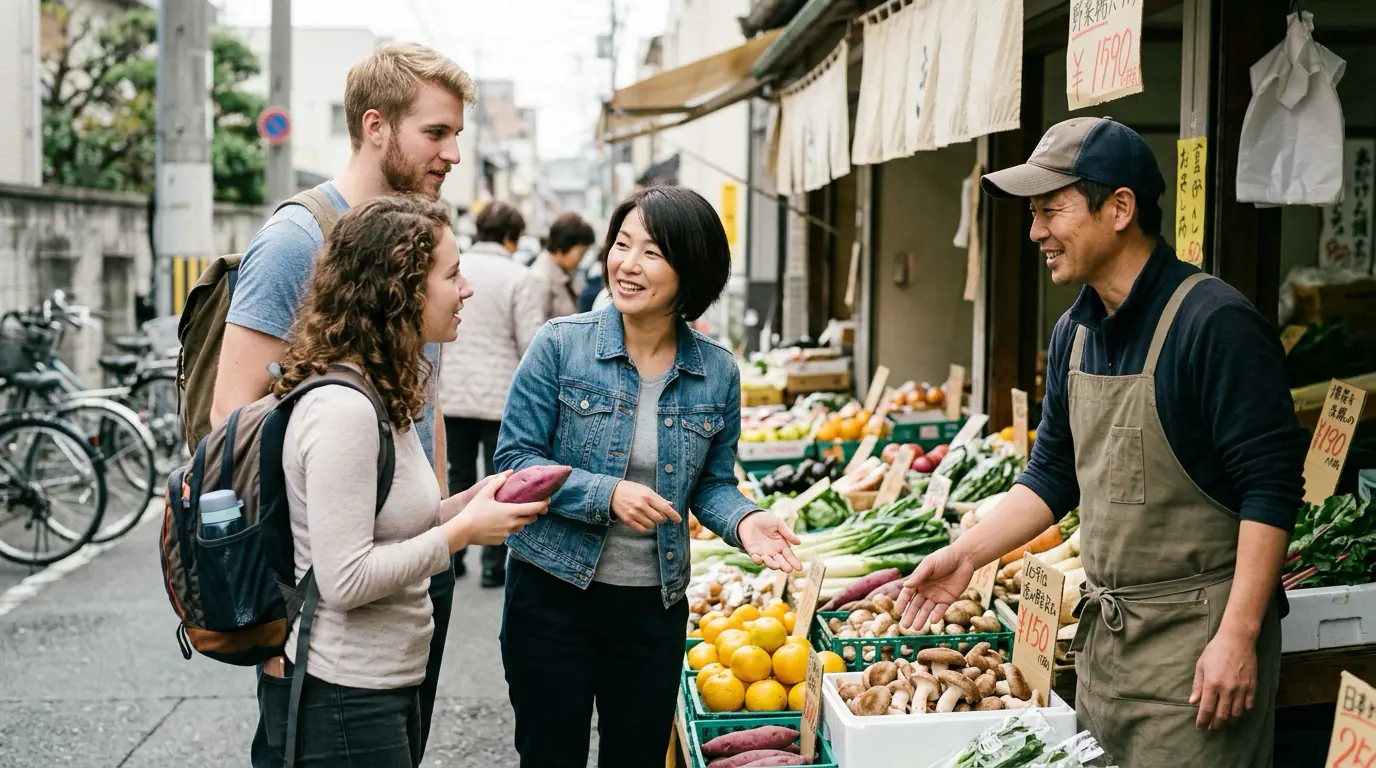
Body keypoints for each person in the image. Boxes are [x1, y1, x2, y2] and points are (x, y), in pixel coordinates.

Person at [896, 117, 1306, 767]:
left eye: (1050, 211)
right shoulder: (1074, 334)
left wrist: (1238, 634)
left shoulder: (1214, 324)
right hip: (1107, 645)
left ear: (1119, 208)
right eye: (1032, 215)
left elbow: (1273, 486)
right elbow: (1054, 473)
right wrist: (966, 554)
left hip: (1200, 652)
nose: (1036, 233)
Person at [208, 43, 476, 763]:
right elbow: (233, 423)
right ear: (375, 125)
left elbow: (425, 398)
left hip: (412, 554)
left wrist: (444, 516)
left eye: (458, 134)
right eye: (436, 132)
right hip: (324, 601)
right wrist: (278, 624)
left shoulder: (418, 242)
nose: (453, 153)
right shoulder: (299, 238)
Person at [494, 186, 803, 767]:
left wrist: (747, 520)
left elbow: (711, 484)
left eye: (652, 252)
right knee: (549, 754)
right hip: (551, 594)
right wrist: (605, 493)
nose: (627, 265)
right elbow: (514, 462)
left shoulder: (717, 372)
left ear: (691, 269)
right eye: (621, 245)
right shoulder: (561, 346)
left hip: (650, 608)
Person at [258, 194, 549, 767]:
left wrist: (472, 500)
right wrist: (463, 532)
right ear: (401, 289)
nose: (466, 289)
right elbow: (345, 578)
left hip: (381, 685)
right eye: (452, 274)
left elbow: (395, 522)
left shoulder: (384, 389)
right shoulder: (344, 409)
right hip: (343, 694)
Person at [438, 201, 546, 587]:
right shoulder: (520, 276)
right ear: (510, 237)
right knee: (501, 481)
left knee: (458, 474)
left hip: (452, 392)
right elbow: (532, 344)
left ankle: (454, 553)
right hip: (501, 396)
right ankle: (491, 563)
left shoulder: (453, 266)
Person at [531, 212, 597, 320]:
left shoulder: (563, 272)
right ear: (564, 245)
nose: (581, 259)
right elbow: (535, 329)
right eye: (581, 252)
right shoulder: (541, 279)